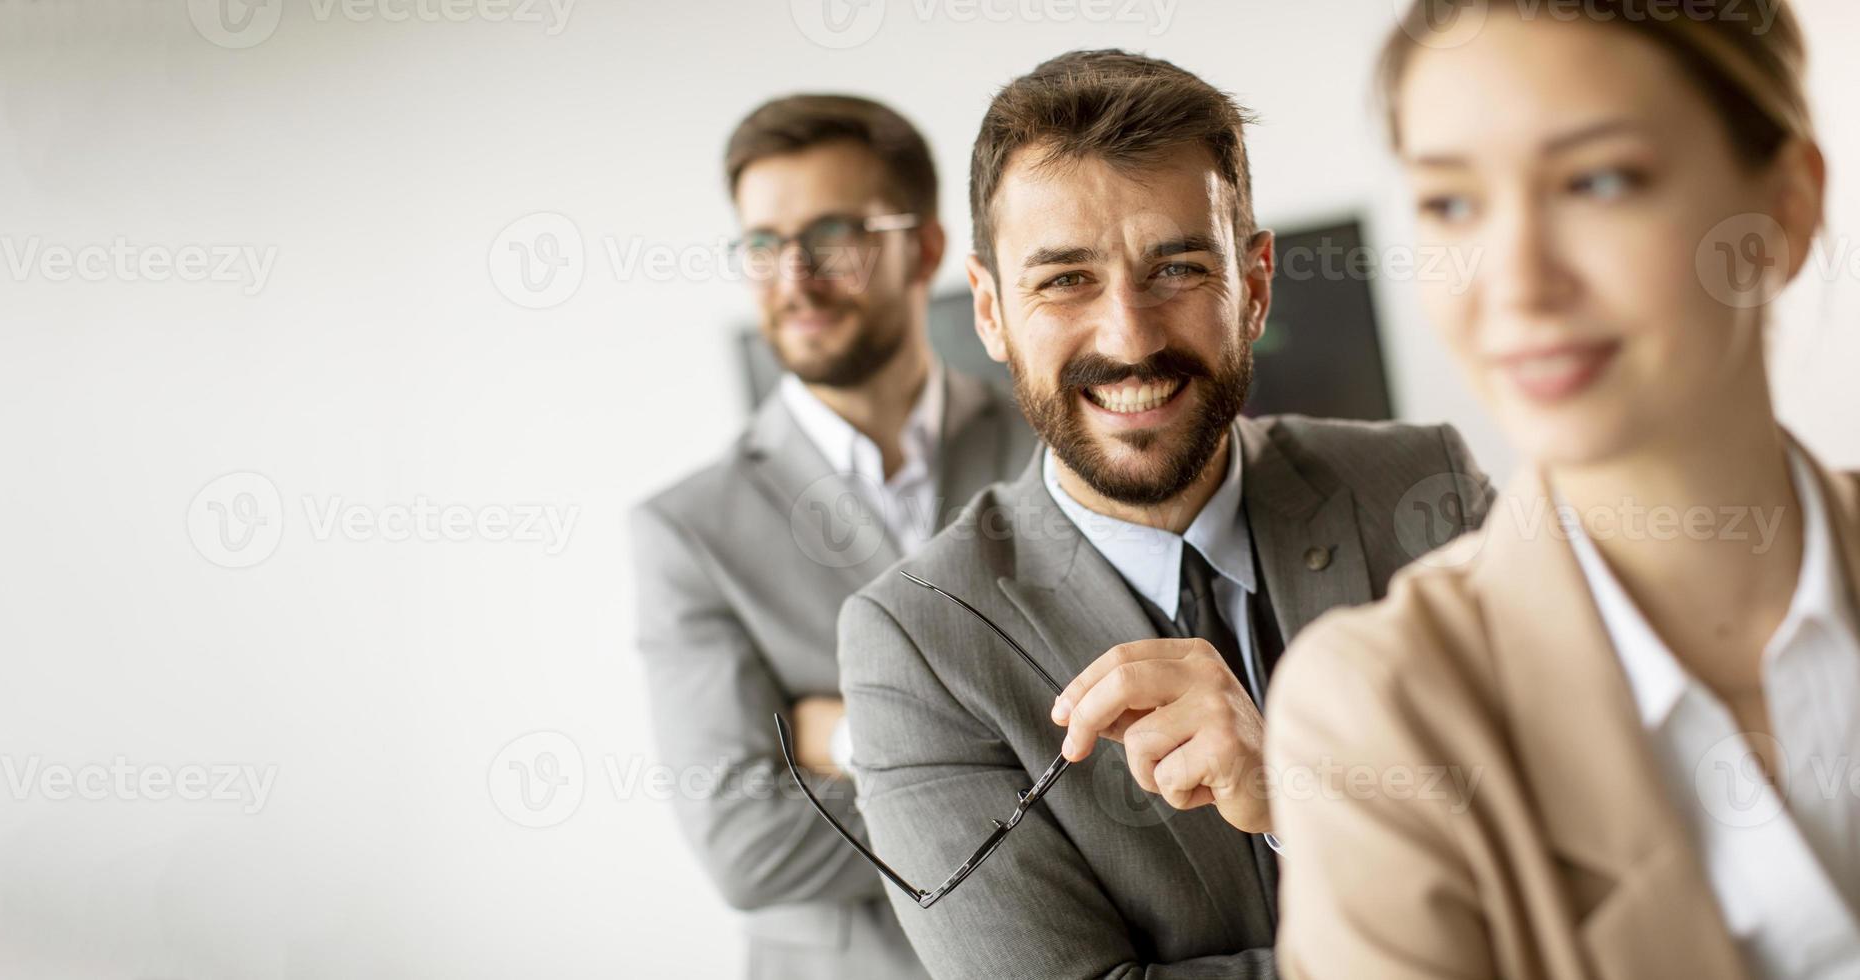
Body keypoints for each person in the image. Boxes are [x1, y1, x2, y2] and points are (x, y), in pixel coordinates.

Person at [835, 50, 1492, 979]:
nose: (1130, 339)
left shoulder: (1428, 492)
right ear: (989, 310)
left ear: (1255, 284)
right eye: (1064, 279)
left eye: (1177, 268)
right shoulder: (916, 644)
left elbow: (1591, 853)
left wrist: (1298, 796)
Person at [1257, 4, 1856, 979]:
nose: (1517, 282)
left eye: (1598, 181)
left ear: (1783, 212)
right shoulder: (1382, 713)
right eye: (1451, 204)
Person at [629, 94, 1036, 979]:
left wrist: (849, 743)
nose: (793, 278)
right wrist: (1029, 766)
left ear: (924, 249)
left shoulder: (1051, 448)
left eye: (831, 236)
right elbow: (745, 848)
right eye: (764, 245)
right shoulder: (687, 532)